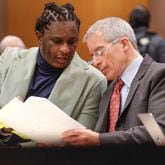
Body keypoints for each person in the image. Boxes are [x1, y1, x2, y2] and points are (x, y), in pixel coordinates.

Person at [0, 2, 107, 146]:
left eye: (72, 42)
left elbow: (79, 141)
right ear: (39, 37)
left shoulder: (93, 81)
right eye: (57, 41)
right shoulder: (9, 59)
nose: (65, 49)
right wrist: (4, 130)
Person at [62, 17, 165, 146]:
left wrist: (99, 140)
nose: (95, 62)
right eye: (92, 56)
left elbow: (159, 133)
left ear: (124, 44)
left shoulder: (158, 75)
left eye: (100, 52)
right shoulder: (109, 88)